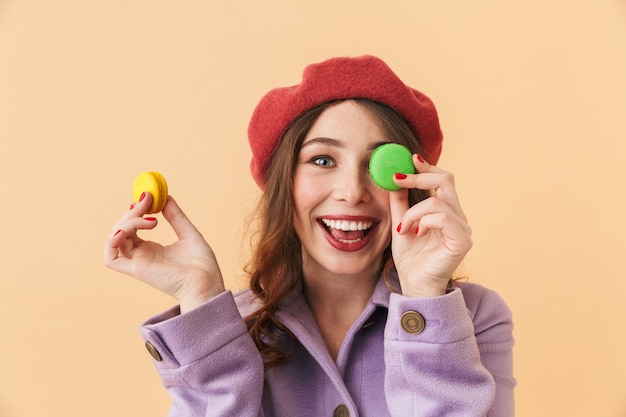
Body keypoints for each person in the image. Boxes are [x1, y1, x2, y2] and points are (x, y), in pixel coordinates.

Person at [104, 55, 515, 416]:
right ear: (285, 182)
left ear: (411, 181)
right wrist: (201, 301)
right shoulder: (232, 326)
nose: (352, 192)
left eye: (377, 165)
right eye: (322, 159)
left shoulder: (472, 318)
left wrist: (426, 300)